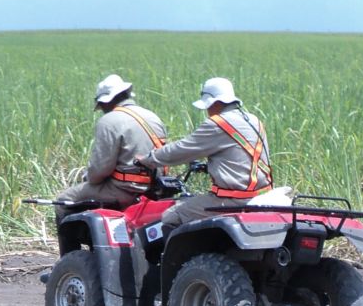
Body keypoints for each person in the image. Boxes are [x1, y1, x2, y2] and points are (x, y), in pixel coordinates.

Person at [136, 77, 272, 228]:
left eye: (208, 106)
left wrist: (149, 158)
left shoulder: (218, 124)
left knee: (172, 215)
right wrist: (209, 167)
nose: (208, 111)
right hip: (261, 195)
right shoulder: (254, 121)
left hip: (233, 200)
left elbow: (182, 149)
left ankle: (179, 252)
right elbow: (241, 159)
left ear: (216, 102)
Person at [54, 74, 169, 220]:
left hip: (125, 190)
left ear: (108, 101)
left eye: (101, 105)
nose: (102, 109)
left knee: (63, 200)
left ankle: (72, 242)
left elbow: (100, 170)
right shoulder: (152, 117)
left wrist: (87, 177)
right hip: (157, 189)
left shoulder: (109, 121)